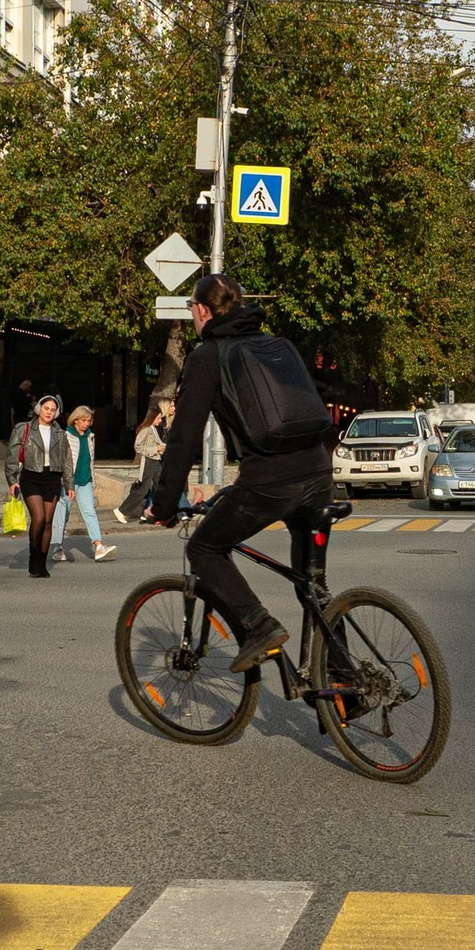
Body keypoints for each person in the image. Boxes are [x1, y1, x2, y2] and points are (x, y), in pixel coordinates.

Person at [150, 274, 336, 672]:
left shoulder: (208, 355)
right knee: (313, 586)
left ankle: (257, 626)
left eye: (191, 309)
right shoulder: (277, 345)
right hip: (320, 473)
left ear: (201, 310)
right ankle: (346, 684)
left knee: (203, 548)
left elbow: (183, 439)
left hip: (270, 482)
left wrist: (164, 503)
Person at [8, 395, 71, 578]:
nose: (49, 412)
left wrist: (69, 484)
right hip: (31, 477)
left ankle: (41, 565)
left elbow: (67, 460)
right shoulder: (23, 428)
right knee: (39, 518)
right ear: (39, 409)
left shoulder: (60, 433)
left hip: (52, 479)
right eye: (46, 408)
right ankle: (33, 559)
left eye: (53, 410)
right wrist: (12, 480)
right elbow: (11, 455)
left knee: (49, 522)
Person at [53, 403, 115, 563]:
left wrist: (92, 481)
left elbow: (90, 461)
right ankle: (58, 547)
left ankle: (98, 545)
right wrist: (64, 481)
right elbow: (63, 461)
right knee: (63, 515)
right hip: (69, 482)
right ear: (75, 420)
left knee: (90, 512)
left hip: (85, 480)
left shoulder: (90, 437)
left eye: (89, 420)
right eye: (84, 420)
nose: (87, 423)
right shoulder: (66, 436)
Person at [119, 399, 171, 523]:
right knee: (143, 489)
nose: (160, 421)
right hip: (149, 461)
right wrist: (155, 448)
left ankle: (159, 511)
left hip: (156, 460)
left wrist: (163, 448)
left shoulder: (153, 429)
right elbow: (138, 446)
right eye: (158, 418)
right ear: (152, 418)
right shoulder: (146, 429)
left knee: (159, 486)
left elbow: (157, 443)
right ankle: (122, 510)